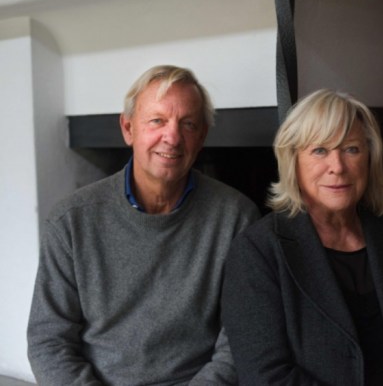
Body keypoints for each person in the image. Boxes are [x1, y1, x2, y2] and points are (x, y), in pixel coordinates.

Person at [27, 65, 260, 385]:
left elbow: (239, 342)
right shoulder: (71, 221)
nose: (172, 137)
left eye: (188, 124)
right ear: (128, 128)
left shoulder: (237, 218)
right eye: (157, 121)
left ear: (201, 136)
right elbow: (48, 342)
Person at [221, 89, 383, 385]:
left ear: (369, 158)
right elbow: (265, 375)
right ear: (293, 161)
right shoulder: (258, 251)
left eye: (351, 149)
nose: (338, 167)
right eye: (320, 150)